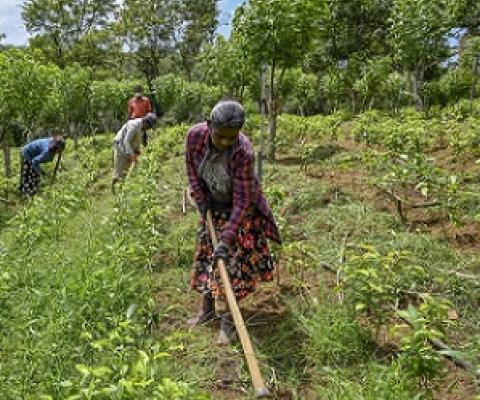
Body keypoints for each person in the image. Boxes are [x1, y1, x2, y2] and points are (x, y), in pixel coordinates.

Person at [185, 100, 281, 344]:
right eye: (221, 137)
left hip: (239, 210)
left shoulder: (244, 152)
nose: (226, 143)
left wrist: (227, 240)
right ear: (208, 126)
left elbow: (241, 202)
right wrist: (200, 198)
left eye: (232, 137)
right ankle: (206, 311)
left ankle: (229, 321)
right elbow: (192, 171)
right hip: (212, 204)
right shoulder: (195, 137)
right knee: (207, 255)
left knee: (229, 262)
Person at [112, 112, 157, 192]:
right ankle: (115, 189)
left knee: (128, 169)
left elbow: (136, 140)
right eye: (149, 126)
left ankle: (124, 189)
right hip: (120, 144)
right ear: (145, 121)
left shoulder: (142, 128)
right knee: (121, 168)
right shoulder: (134, 125)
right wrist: (132, 155)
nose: (149, 128)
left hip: (128, 146)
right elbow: (126, 141)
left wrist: (136, 150)